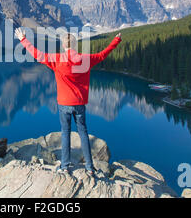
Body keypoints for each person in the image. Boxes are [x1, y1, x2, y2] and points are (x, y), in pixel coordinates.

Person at [15, 28, 122, 175]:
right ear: (75, 45)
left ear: (64, 46)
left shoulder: (57, 59)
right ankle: (89, 168)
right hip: (79, 104)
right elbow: (103, 54)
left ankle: (65, 166)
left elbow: (37, 54)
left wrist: (23, 39)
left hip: (64, 104)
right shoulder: (85, 59)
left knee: (65, 133)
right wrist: (116, 41)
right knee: (83, 133)